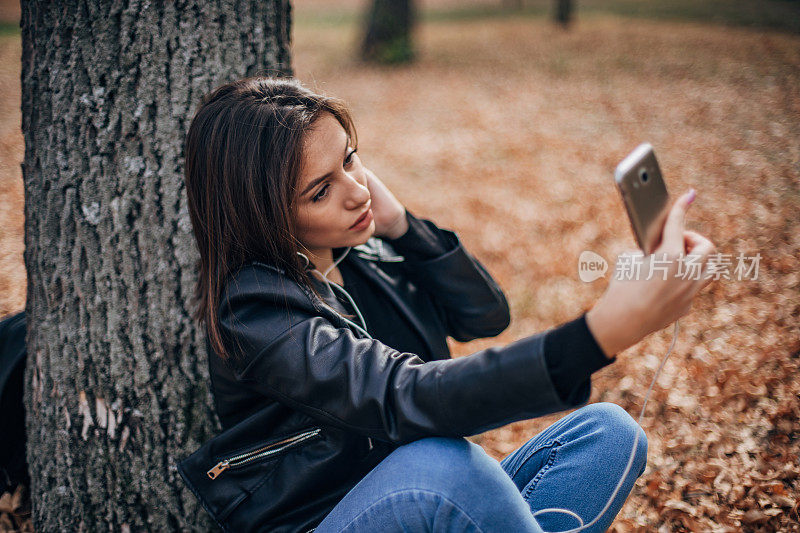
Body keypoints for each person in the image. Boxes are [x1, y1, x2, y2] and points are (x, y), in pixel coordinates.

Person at [182, 76, 716, 533]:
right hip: (338, 517)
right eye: (321, 190)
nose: (357, 190)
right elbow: (404, 397)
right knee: (439, 464)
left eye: (350, 159)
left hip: (426, 503)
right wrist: (601, 333)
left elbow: (484, 314)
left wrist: (403, 228)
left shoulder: (362, 254)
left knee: (607, 432)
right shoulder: (253, 312)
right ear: (263, 215)